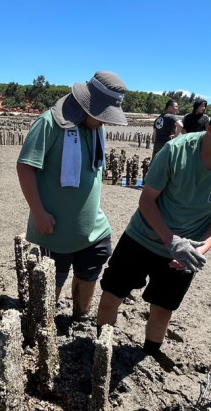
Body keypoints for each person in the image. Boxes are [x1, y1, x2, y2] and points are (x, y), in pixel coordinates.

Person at [96, 93, 211, 360]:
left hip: (186, 251)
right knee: (111, 296)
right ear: (210, 130)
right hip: (143, 236)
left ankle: (150, 353)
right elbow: (147, 200)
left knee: (163, 309)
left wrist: (201, 249)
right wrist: (170, 241)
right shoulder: (176, 150)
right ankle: (101, 349)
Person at [16, 71, 128, 319]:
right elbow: (25, 167)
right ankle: (44, 323)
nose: (104, 122)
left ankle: (79, 317)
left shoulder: (96, 127)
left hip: (93, 228)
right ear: (86, 104)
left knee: (90, 272)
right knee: (51, 280)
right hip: (53, 229)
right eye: (101, 115)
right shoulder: (50, 123)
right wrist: (38, 212)